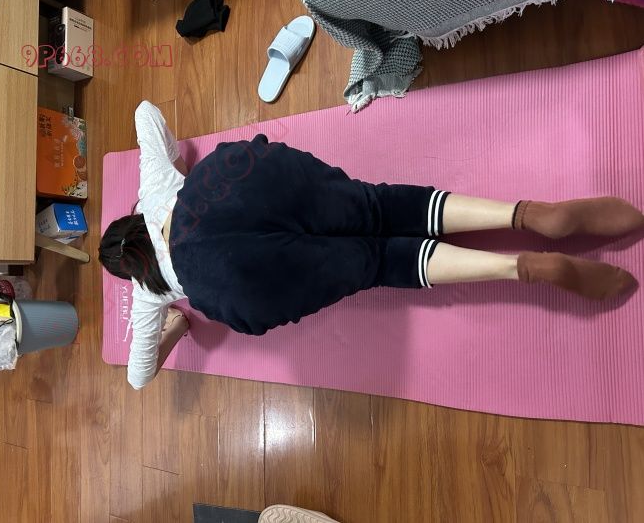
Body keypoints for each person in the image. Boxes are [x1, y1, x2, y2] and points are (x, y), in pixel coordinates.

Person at [100, 101, 643, 390]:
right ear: (134, 220)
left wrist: (175, 328)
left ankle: (518, 268)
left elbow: (138, 377)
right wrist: (176, 161)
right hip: (230, 188)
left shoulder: (150, 295)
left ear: (135, 272)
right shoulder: (154, 188)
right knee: (376, 206)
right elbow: (146, 112)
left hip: (228, 279)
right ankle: (525, 214)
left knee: (376, 260)